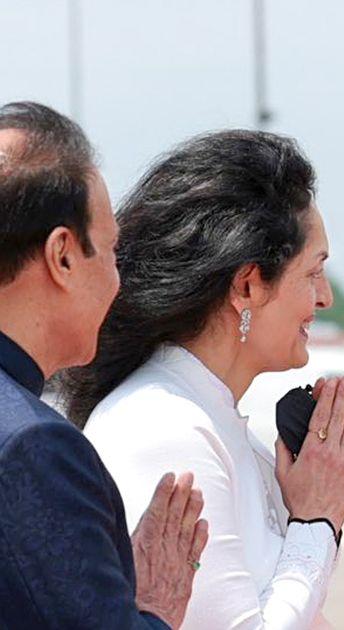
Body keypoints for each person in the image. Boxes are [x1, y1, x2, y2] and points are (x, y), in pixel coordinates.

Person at [64, 130, 344, 629]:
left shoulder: (208, 417)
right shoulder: (165, 428)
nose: (325, 297)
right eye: (313, 273)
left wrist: (311, 513)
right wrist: (317, 520)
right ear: (248, 285)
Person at [0, 101, 208, 629]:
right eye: (112, 251)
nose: (119, 281)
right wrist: (155, 608)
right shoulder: (32, 447)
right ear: (63, 256)